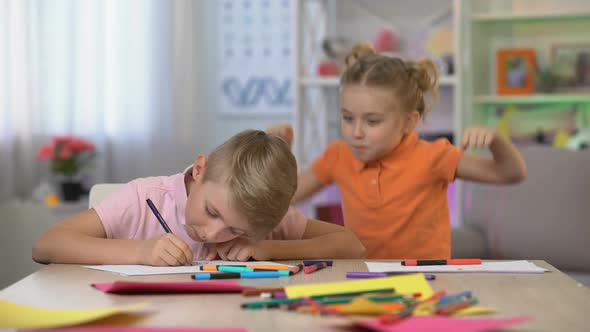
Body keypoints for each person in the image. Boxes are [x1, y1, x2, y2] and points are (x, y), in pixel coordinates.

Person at [269, 43, 527, 259]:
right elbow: (281, 199)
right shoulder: (338, 155)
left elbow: (509, 174)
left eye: (372, 121)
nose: (356, 132)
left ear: (409, 122)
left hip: (426, 283)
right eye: (348, 118)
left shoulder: (433, 156)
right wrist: (277, 154)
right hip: (361, 278)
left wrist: (496, 141)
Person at [32, 130, 366, 266]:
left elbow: (352, 245)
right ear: (200, 169)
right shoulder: (145, 199)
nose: (214, 234)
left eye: (237, 231)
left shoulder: (261, 216)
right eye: (212, 211)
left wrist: (266, 247)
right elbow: (47, 246)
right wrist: (139, 250)